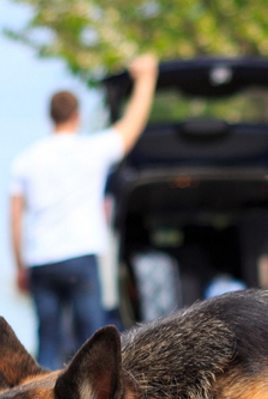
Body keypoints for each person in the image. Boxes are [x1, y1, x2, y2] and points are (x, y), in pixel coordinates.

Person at [9, 54, 158, 369]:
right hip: (81, 255)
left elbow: (15, 216)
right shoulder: (91, 150)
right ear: (77, 115)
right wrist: (147, 78)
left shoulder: (26, 160)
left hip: (41, 260)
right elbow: (131, 126)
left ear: (50, 117)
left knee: (48, 343)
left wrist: (20, 266)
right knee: (93, 344)